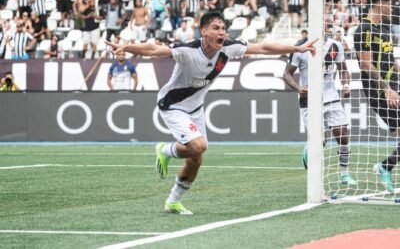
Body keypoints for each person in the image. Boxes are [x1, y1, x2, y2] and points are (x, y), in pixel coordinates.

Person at [105, 11, 317, 215]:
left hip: (195, 108)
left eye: (223, 28)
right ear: (203, 31)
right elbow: (154, 51)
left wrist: (296, 49)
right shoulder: (187, 50)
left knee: (196, 158)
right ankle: (166, 150)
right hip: (173, 105)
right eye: (216, 28)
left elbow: (262, 46)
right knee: (199, 146)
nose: (221, 33)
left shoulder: (229, 48)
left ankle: (173, 202)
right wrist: (126, 46)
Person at [283, 37, 356, 186]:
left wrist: (346, 85)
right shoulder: (300, 47)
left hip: (331, 97)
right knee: (319, 140)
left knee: (343, 136)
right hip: (309, 99)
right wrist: (298, 88)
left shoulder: (335, 45)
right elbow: (286, 73)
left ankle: (344, 174)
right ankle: (309, 151)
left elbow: (343, 70)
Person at [354, 0, 399, 193]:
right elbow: (366, 65)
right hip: (379, 91)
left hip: (394, 87)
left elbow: (392, 60)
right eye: (389, 3)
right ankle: (385, 166)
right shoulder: (364, 29)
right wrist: (387, 89)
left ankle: (385, 166)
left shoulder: (385, 29)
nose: (392, 7)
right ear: (379, 3)